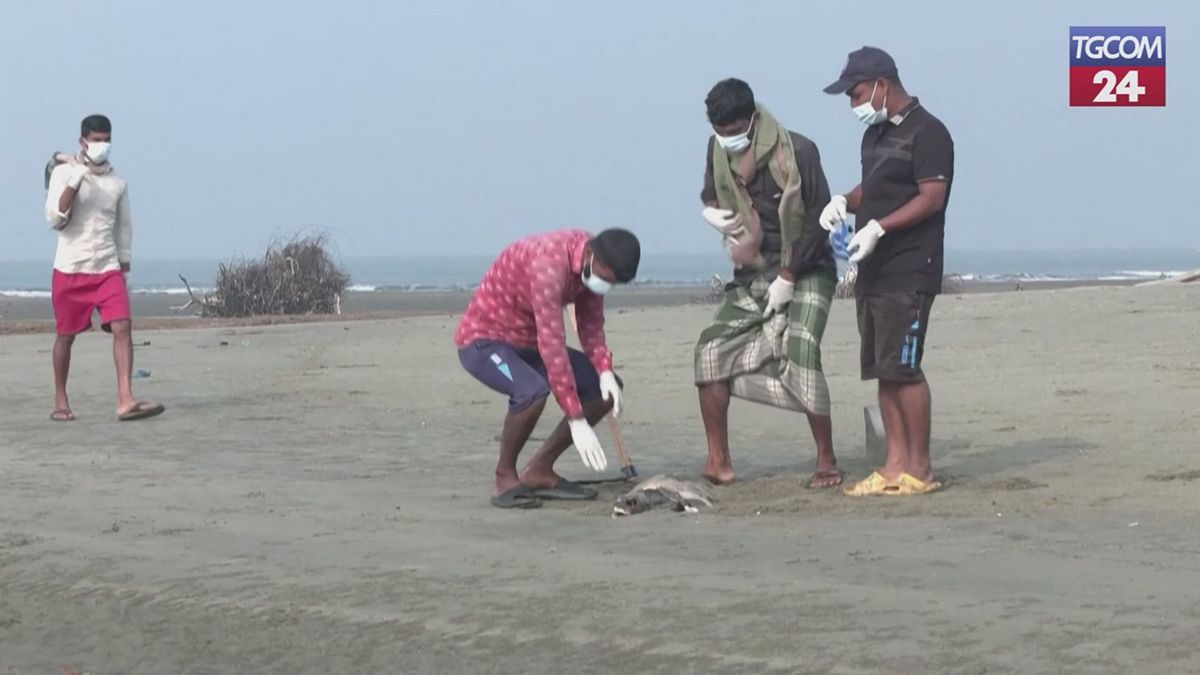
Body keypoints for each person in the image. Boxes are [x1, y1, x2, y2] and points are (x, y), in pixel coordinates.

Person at [819, 46, 954, 496]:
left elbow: (931, 197)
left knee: (905, 367)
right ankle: (894, 464)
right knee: (882, 368)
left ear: (882, 84)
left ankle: (922, 469)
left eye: (856, 93)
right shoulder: (874, 135)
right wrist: (845, 202)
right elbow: (874, 186)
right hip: (871, 270)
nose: (853, 104)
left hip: (911, 267)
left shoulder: (930, 132)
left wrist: (880, 226)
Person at [694, 78, 842, 489]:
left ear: (753, 119)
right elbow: (711, 194)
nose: (727, 141)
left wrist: (789, 276)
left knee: (801, 348)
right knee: (709, 353)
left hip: (808, 267)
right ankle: (718, 462)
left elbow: (821, 222)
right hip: (752, 272)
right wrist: (713, 215)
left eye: (734, 132)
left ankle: (826, 460)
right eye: (719, 134)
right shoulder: (716, 151)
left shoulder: (800, 152)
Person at [454, 228, 640, 509]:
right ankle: (505, 475)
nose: (602, 285)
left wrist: (604, 370)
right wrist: (576, 418)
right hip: (485, 341)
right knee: (531, 392)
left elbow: (590, 326)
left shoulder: (592, 270)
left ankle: (539, 470)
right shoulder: (548, 266)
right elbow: (552, 344)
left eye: (610, 283)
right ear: (590, 255)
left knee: (606, 392)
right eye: (602, 278)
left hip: (530, 345)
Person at [44, 114, 165, 423]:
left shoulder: (117, 183)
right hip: (70, 267)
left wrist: (125, 271)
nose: (102, 146)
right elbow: (56, 218)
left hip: (107, 266)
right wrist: (77, 175)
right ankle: (61, 400)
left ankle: (125, 398)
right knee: (66, 336)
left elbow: (124, 230)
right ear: (83, 141)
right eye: (96, 140)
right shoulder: (63, 173)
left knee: (123, 326)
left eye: (106, 140)